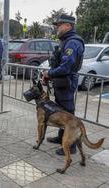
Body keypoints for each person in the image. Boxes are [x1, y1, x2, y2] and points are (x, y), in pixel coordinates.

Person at [42, 14, 85, 155]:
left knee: (68, 114)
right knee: (61, 112)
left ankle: (71, 146)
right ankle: (62, 137)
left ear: (68, 26)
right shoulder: (65, 40)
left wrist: (50, 73)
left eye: (59, 25)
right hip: (61, 82)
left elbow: (66, 67)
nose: (56, 27)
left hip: (66, 83)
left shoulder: (72, 42)